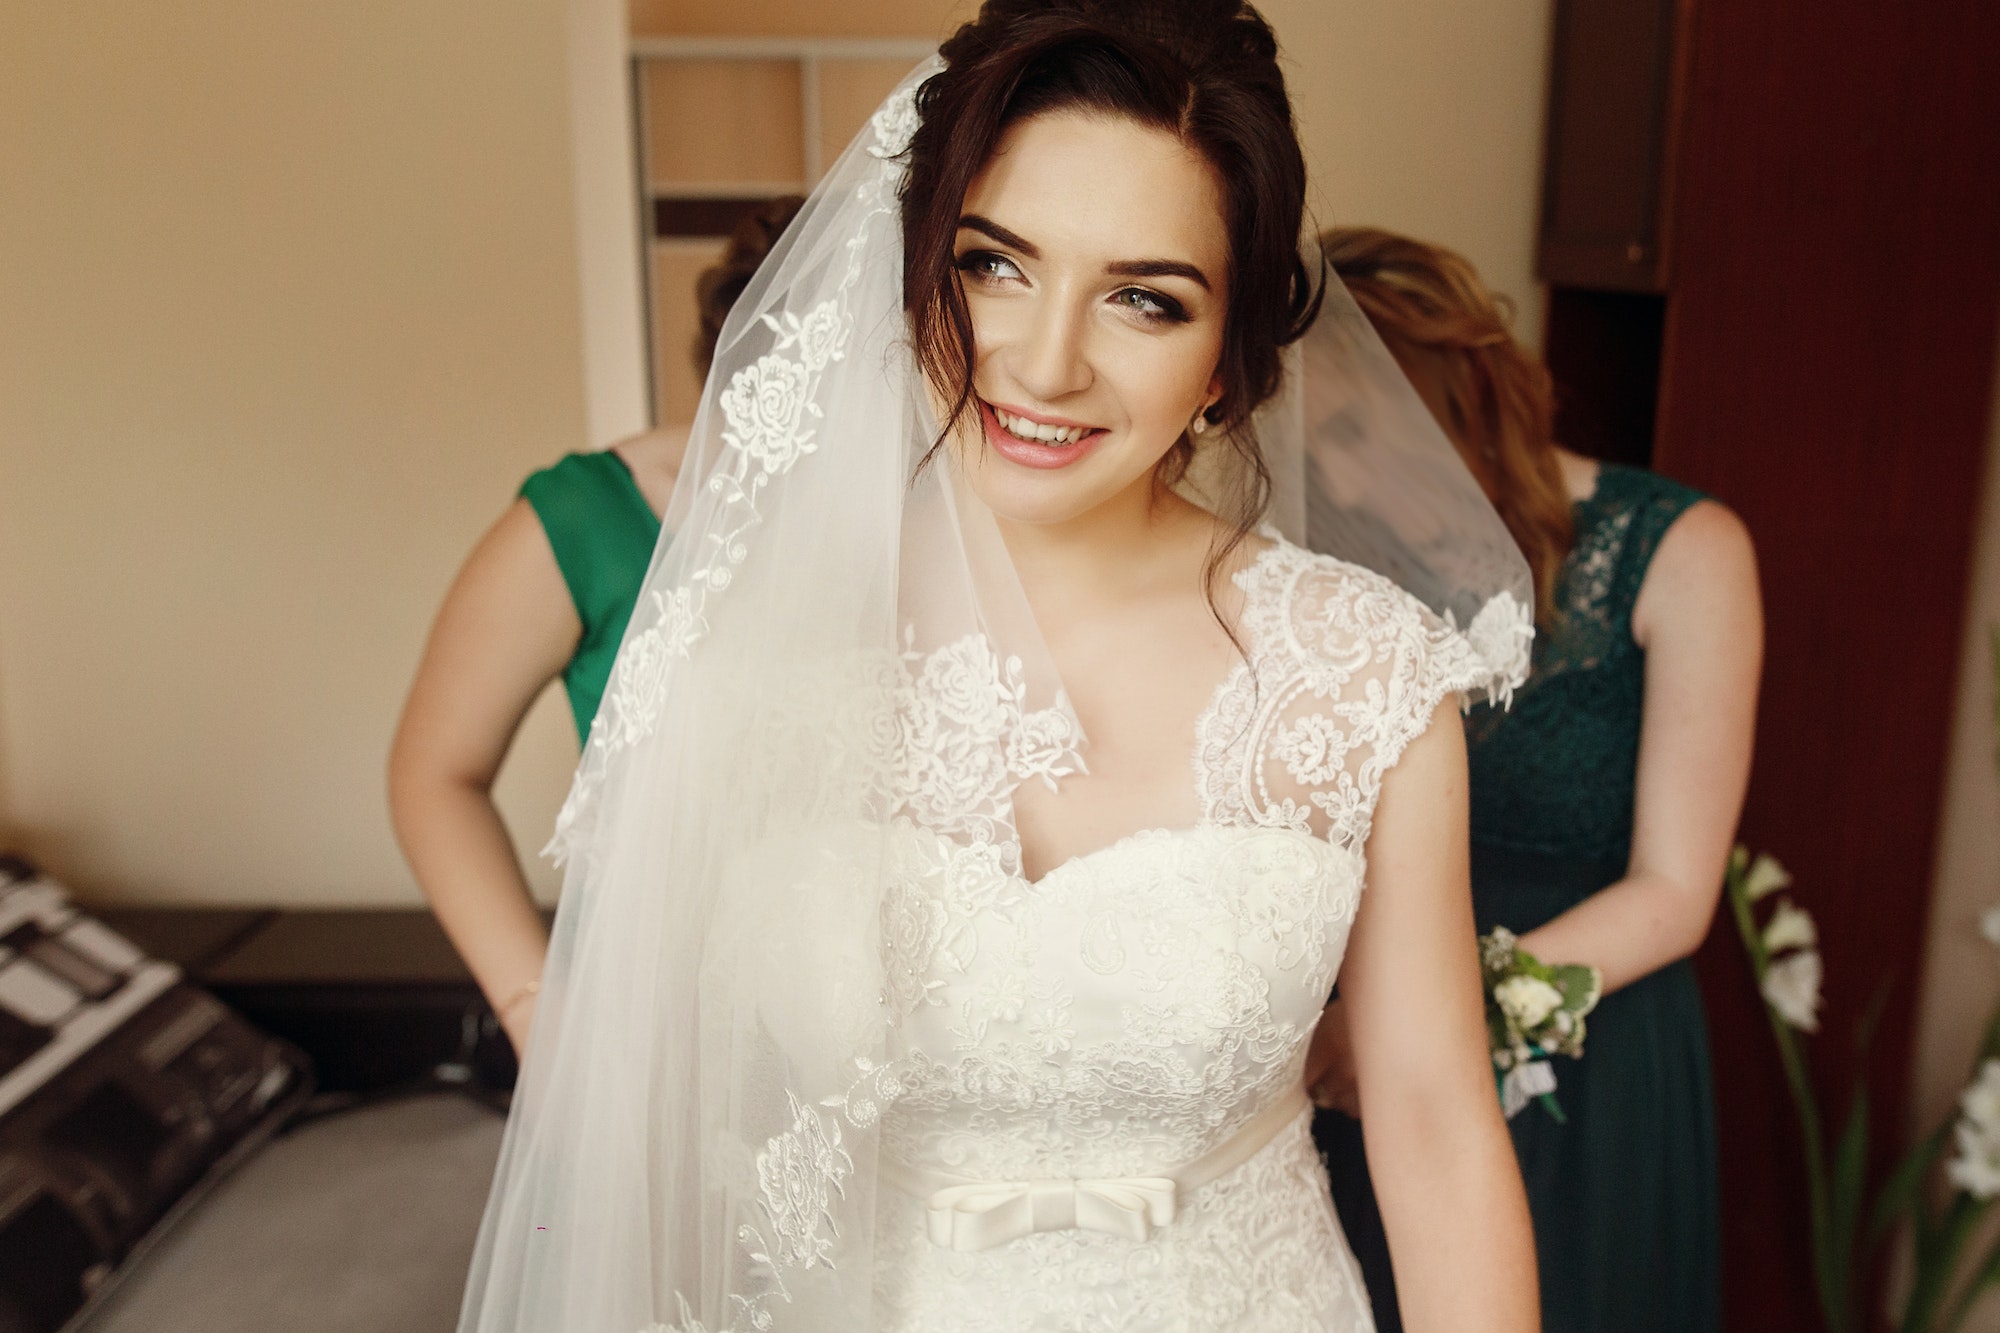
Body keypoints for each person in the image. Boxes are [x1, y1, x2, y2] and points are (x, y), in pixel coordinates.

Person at [457, 7, 1539, 1330]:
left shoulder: (1365, 676)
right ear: (910, 274)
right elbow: (667, 1127)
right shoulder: (751, 650)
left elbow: (1431, 1120)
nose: (1045, 361)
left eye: (1145, 297)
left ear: (1226, 366)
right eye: (993, 265)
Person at [1309, 226, 1763, 1333]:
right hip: (1361, 1040)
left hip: (1583, 1035)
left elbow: (1674, 891)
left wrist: (1432, 1018)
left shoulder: (1682, 550)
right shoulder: (1332, 569)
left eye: (1359, 432)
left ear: (1461, 393)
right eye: (1315, 439)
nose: (1336, 475)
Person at [387, 197, 803, 1055]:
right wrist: (535, 1008)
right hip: (654, 1027)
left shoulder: (936, 521)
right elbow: (434, 772)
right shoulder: (585, 519)